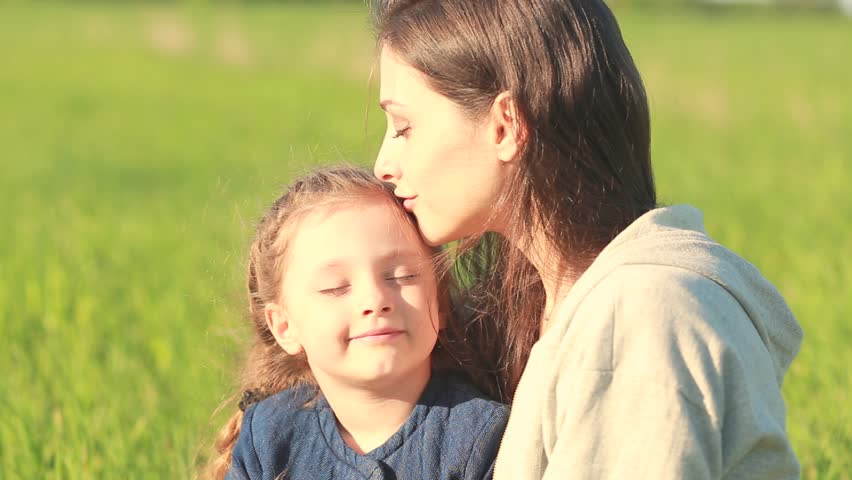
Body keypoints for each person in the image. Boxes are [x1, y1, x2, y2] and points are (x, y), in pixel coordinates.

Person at [371, 1, 804, 478]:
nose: (383, 165)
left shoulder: (639, 317)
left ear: (506, 126)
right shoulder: (552, 306)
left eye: (404, 127)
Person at [208, 166, 509, 480]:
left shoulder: (482, 435)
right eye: (336, 287)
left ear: (441, 301)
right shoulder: (269, 435)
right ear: (284, 327)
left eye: (402, 276)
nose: (375, 300)